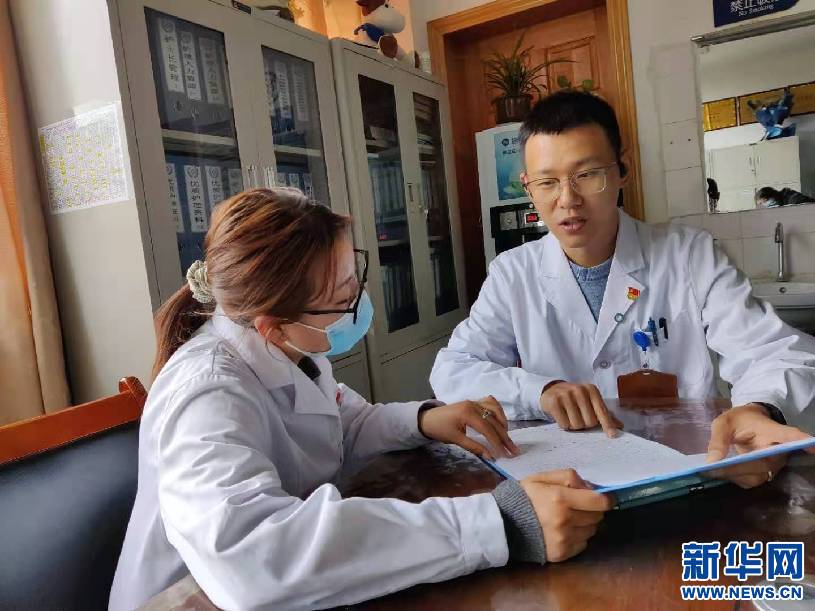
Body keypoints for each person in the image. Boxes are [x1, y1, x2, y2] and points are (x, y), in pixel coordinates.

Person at [109, 188, 614, 610]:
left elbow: (342, 424)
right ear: (272, 326)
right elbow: (251, 556)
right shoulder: (206, 392)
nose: (358, 303)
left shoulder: (289, 348)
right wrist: (496, 523)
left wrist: (426, 419)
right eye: (342, 297)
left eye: (354, 279)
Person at [430, 91, 815, 489]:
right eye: (547, 182)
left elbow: (774, 351)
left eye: (587, 175)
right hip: (566, 485)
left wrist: (759, 408)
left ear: (622, 170)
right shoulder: (513, 273)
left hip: (686, 474)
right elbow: (454, 369)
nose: (567, 200)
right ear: (528, 187)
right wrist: (538, 390)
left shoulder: (688, 255)